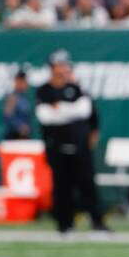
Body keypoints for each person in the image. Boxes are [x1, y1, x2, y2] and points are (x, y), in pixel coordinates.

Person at [35, 50, 108, 235]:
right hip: (56, 144)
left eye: (66, 65)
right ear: (52, 67)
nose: (64, 69)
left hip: (80, 144)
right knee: (61, 185)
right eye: (60, 65)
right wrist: (70, 111)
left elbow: (84, 110)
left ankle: (97, 222)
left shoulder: (76, 88)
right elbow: (45, 116)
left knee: (87, 185)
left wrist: (60, 110)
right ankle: (64, 224)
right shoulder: (44, 90)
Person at [2, 70, 32, 140]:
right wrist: (20, 126)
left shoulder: (25, 97)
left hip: (24, 136)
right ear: (17, 82)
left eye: (25, 81)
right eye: (21, 81)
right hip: (14, 136)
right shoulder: (13, 97)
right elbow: (7, 115)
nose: (25, 84)